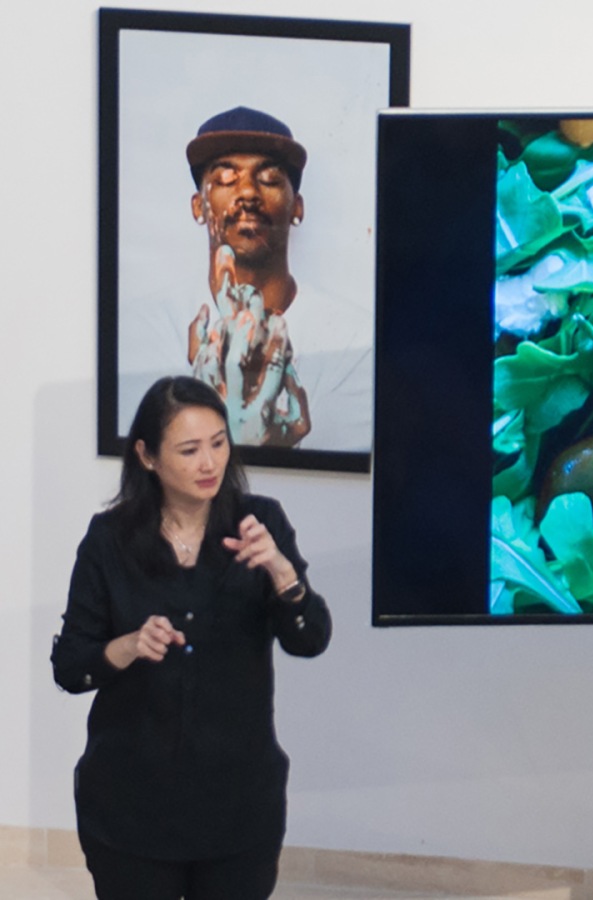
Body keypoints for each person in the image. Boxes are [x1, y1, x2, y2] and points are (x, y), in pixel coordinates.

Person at [51, 376, 332, 899]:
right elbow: (71, 665)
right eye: (190, 449)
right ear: (148, 456)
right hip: (130, 806)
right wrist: (129, 645)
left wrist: (281, 571)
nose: (210, 463)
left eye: (219, 443)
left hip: (238, 806)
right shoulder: (108, 540)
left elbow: (310, 639)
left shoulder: (260, 523)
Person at [185, 106, 314, 446]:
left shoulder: (357, 345)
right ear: (199, 206)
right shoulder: (143, 331)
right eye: (226, 178)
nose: (247, 194)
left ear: (297, 207)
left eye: (269, 178)